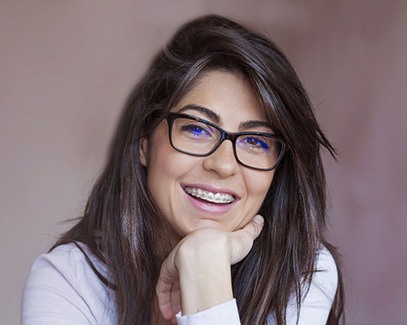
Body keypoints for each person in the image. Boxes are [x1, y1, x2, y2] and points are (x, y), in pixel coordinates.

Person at [21, 14, 344, 325]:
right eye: (197, 129)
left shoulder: (302, 273)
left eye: (256, 142)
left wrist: (204, 265)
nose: (223, 164)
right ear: (144, 141)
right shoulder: (70, 280)